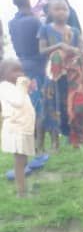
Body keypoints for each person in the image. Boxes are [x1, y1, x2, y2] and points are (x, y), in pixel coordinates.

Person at [37, 0, 83, 149]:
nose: (62, 12)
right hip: (53, 73)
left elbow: (81, 51)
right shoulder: (45, 29)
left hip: (72, 75)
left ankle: (76, 141)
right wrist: (60, 46)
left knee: (74, 105)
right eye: (57, 9)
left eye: (65, 9)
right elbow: (42, 51)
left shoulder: (75, 31)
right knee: (52, 105)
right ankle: (54, 143)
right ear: (50, 12)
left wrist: (74, 52)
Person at [8, 0, 47, 146]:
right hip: (36, 66)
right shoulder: (35, 21)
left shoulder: (12, 23)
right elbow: (42, 46)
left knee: (27, 105)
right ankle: (39, 145)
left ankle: (28, 141)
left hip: (21, 66)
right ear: (28, 0)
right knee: (39, 106)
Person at [0, 59, 36, 197]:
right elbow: (18, 102)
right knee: (20, 161)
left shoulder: (14, 87)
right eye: (15, 71)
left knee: (23, 160)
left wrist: (27, 88)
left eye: (21, 70)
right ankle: (21, 192)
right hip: (16, 130)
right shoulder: (4, 87)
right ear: (3, 74)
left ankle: (22, 186)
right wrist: (22, 86)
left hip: (23, 128)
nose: (20, 74)